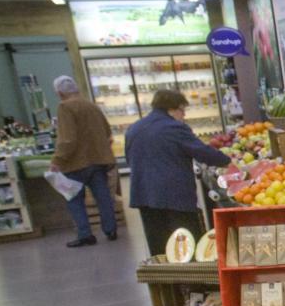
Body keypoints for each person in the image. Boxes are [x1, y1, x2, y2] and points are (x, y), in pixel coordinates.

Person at [125, 89, 230, 256]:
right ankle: (191, 279)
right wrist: (228, 161)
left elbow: (130, 159)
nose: (184, 115)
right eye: (183, 110)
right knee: (185, 240)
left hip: (144, 195)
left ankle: (164, 279)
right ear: (172, 109)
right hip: (174, 196)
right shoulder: (174, 127)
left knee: (158, 242)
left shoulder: (134, 128)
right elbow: (201, 151)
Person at [49, 75, 118, 248]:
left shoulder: (64, 107)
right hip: (98, 160)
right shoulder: (91, 105)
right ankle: (110, 229)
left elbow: (68, 139)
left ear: (59, 93)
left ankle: (85, 234)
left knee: (74, 198)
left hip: (75, 163)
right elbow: (107, 131)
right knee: (103, 197)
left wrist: (57, 159)